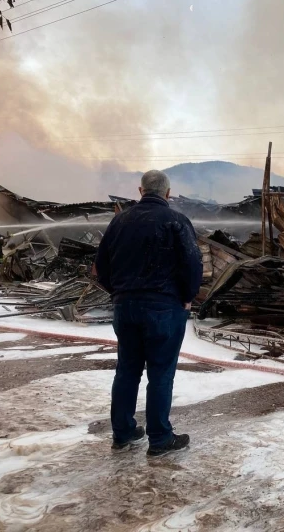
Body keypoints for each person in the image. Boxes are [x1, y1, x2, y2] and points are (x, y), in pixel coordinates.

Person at [95, 170, 203, 457]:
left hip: (125, 307)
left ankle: (123, 432)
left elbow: (100, 267)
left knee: (127, 371)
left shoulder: (119, 221)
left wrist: (118, 293)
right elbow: (193, 264)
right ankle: (159, 438)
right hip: (163, 308)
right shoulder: (177, 221)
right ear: (168, 193)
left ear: (140, 191)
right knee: (160, 374)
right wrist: (188, 297)